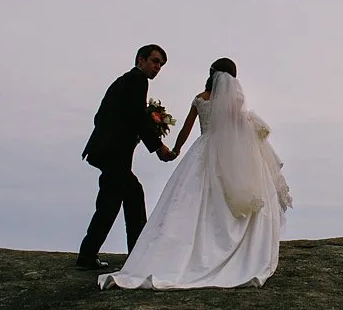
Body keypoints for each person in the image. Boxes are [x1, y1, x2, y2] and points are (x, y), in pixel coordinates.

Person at [100, 57, 292, 290]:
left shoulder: (200, 99)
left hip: (202, 150)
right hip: (227, 152)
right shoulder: (235, 100)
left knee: (192, 199)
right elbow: (238, 127)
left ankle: (183, 251)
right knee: (225, 198)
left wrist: (176, 150)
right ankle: (227, 249)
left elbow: (186, 128)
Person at [76, 44, 177, 271]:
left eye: (160, 64)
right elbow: (136, 118)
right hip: (115, 154)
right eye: (154, 61)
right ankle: (93, 255)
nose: (157, 67)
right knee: (110, 204)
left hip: (107, 152)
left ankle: (134, 253)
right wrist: (158, 146)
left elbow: (103, 116)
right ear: (140, 60)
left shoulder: (125, 81)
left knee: (131, 194)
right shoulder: (137, 80)